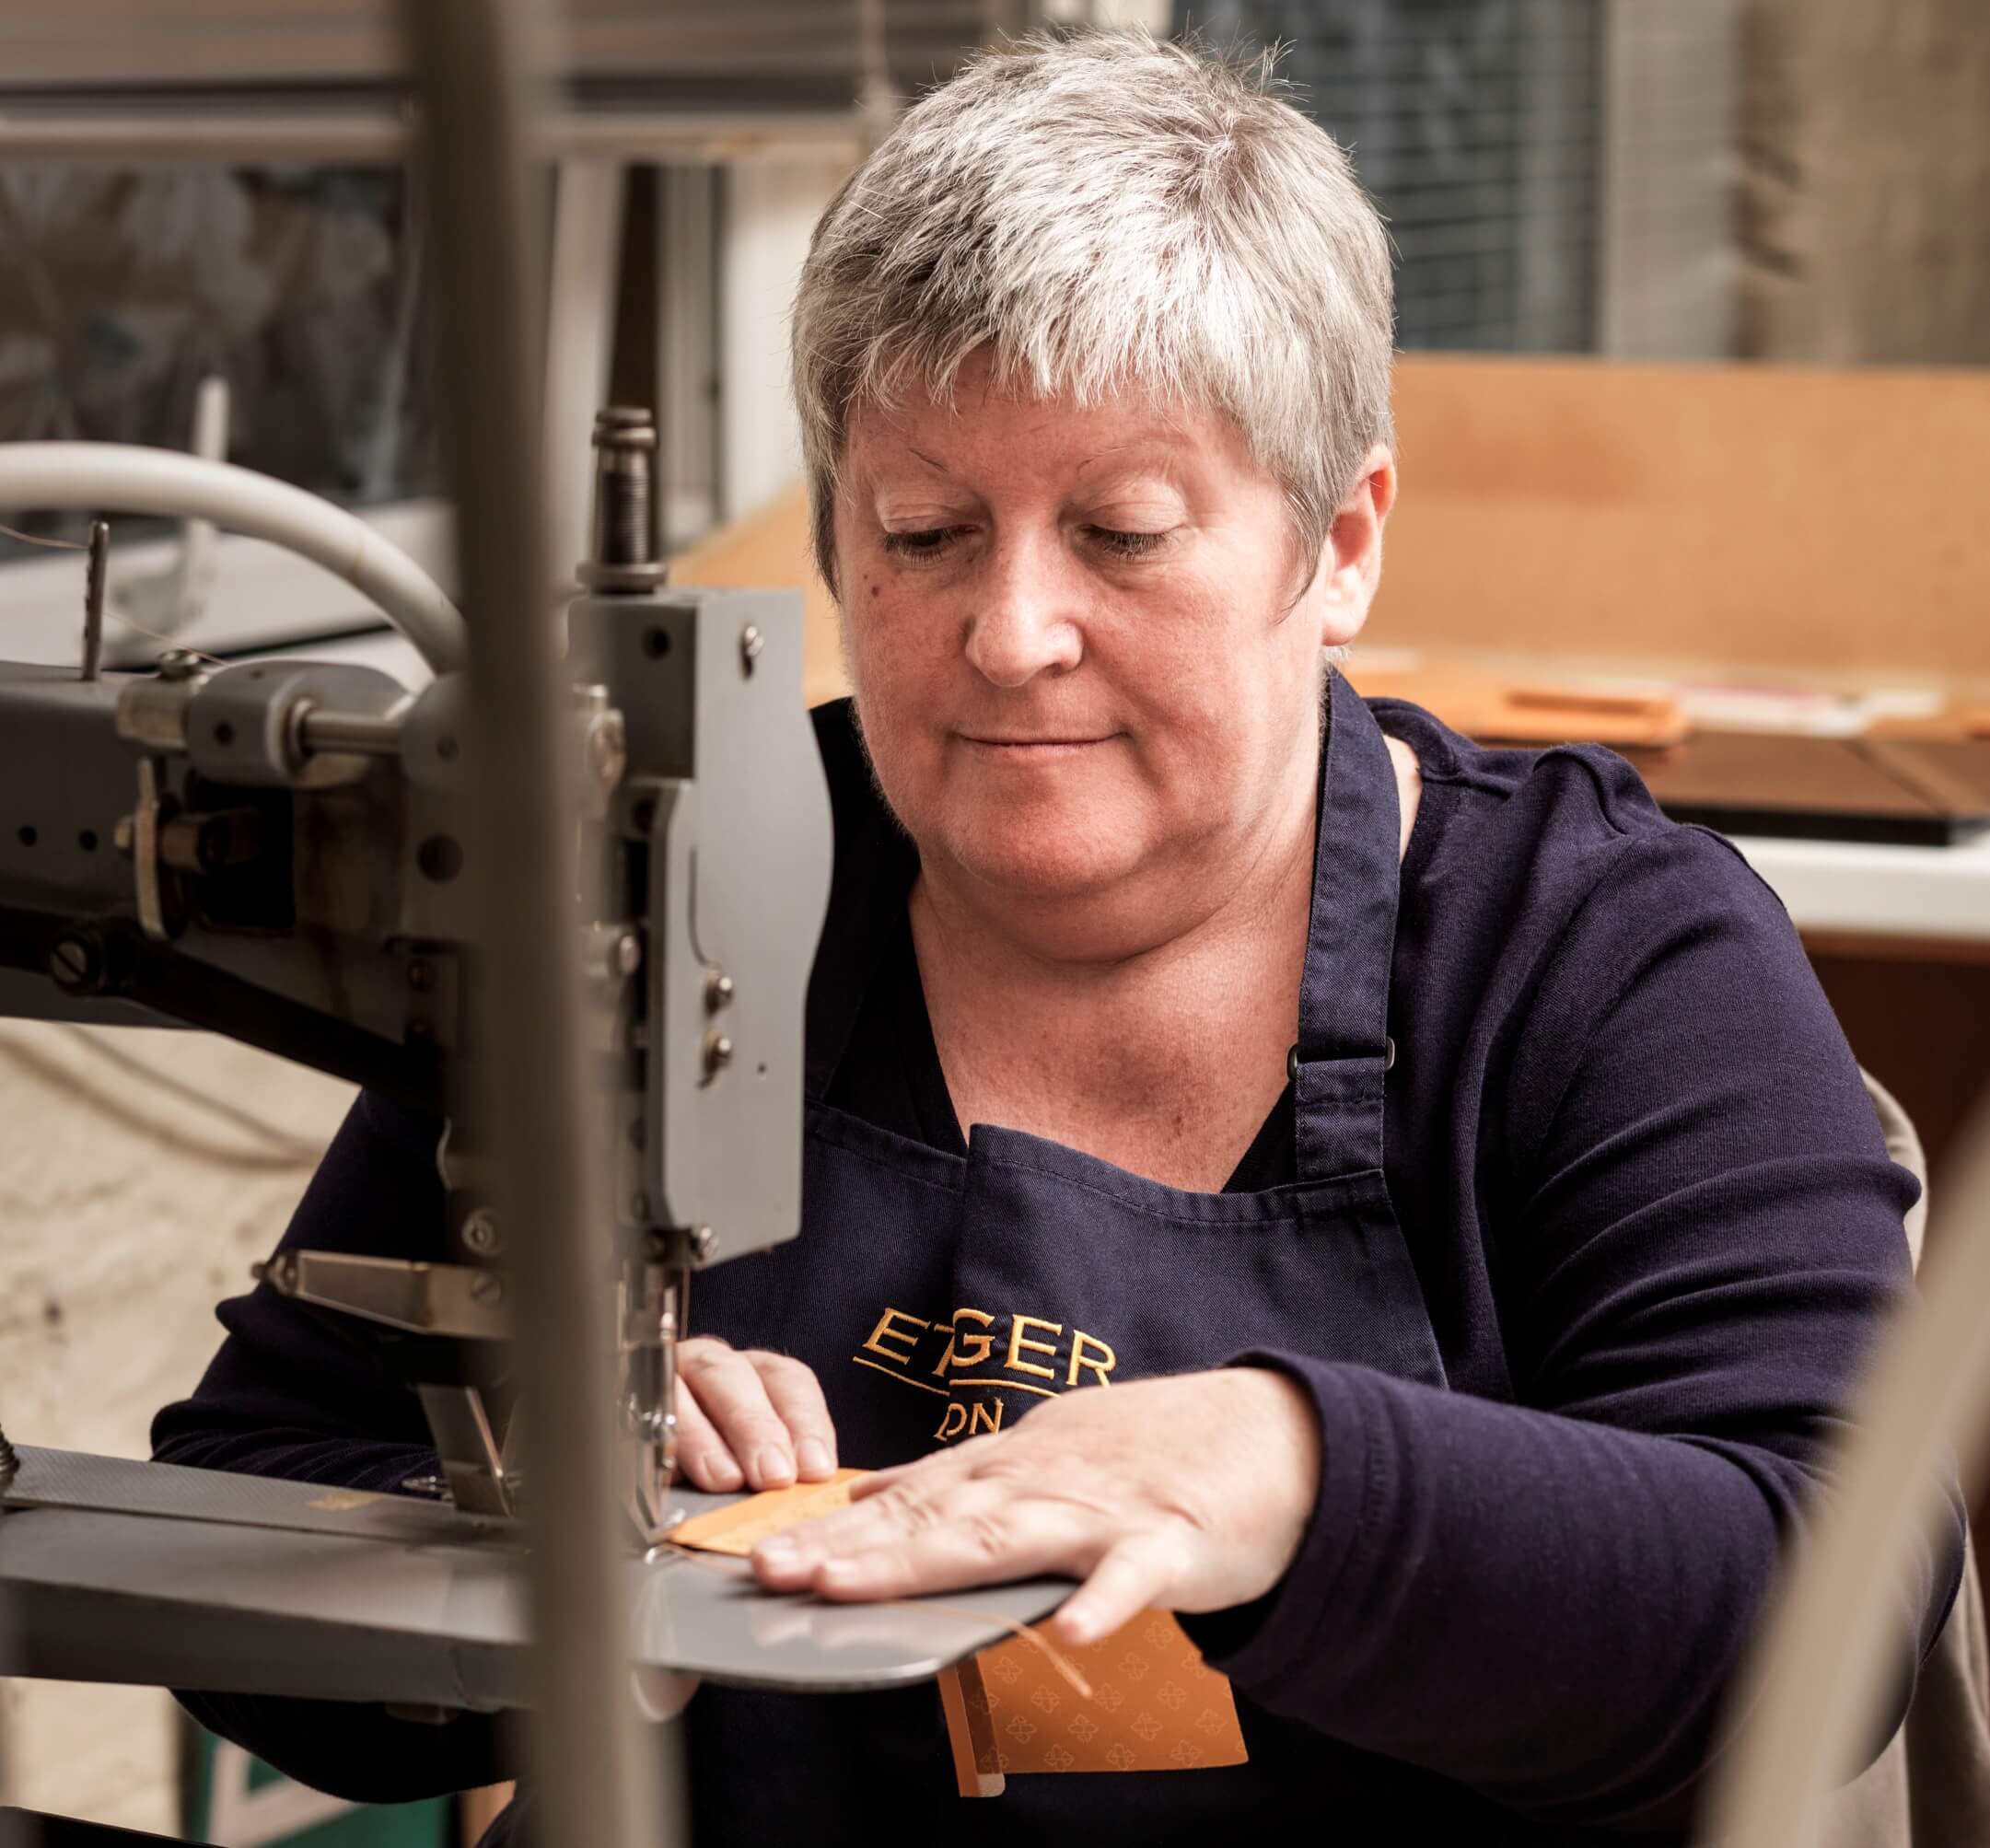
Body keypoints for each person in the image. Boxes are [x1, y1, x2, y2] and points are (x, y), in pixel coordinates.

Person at [154, 28, 1962, 1844]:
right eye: (924, 532)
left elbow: (1816, 1602)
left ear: (1338, 545)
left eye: (1122, 530)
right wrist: (508, 1532)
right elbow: (242, 1519)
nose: (1011, 631)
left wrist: (1289, 1471)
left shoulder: (1594, 956)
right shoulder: (658, 885)